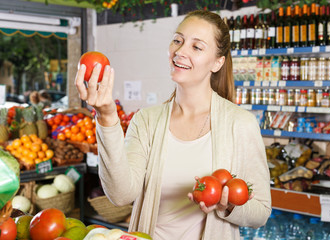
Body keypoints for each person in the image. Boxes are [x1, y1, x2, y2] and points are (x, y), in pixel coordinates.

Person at [75, 10, 271, 240]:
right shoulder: (146, 121)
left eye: (196, 47)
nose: (180, 51)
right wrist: (107, 117)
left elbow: (261, 212)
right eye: (178, 40)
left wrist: (227, 207)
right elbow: (120, 195)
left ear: (217, 63)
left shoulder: (240, 124)